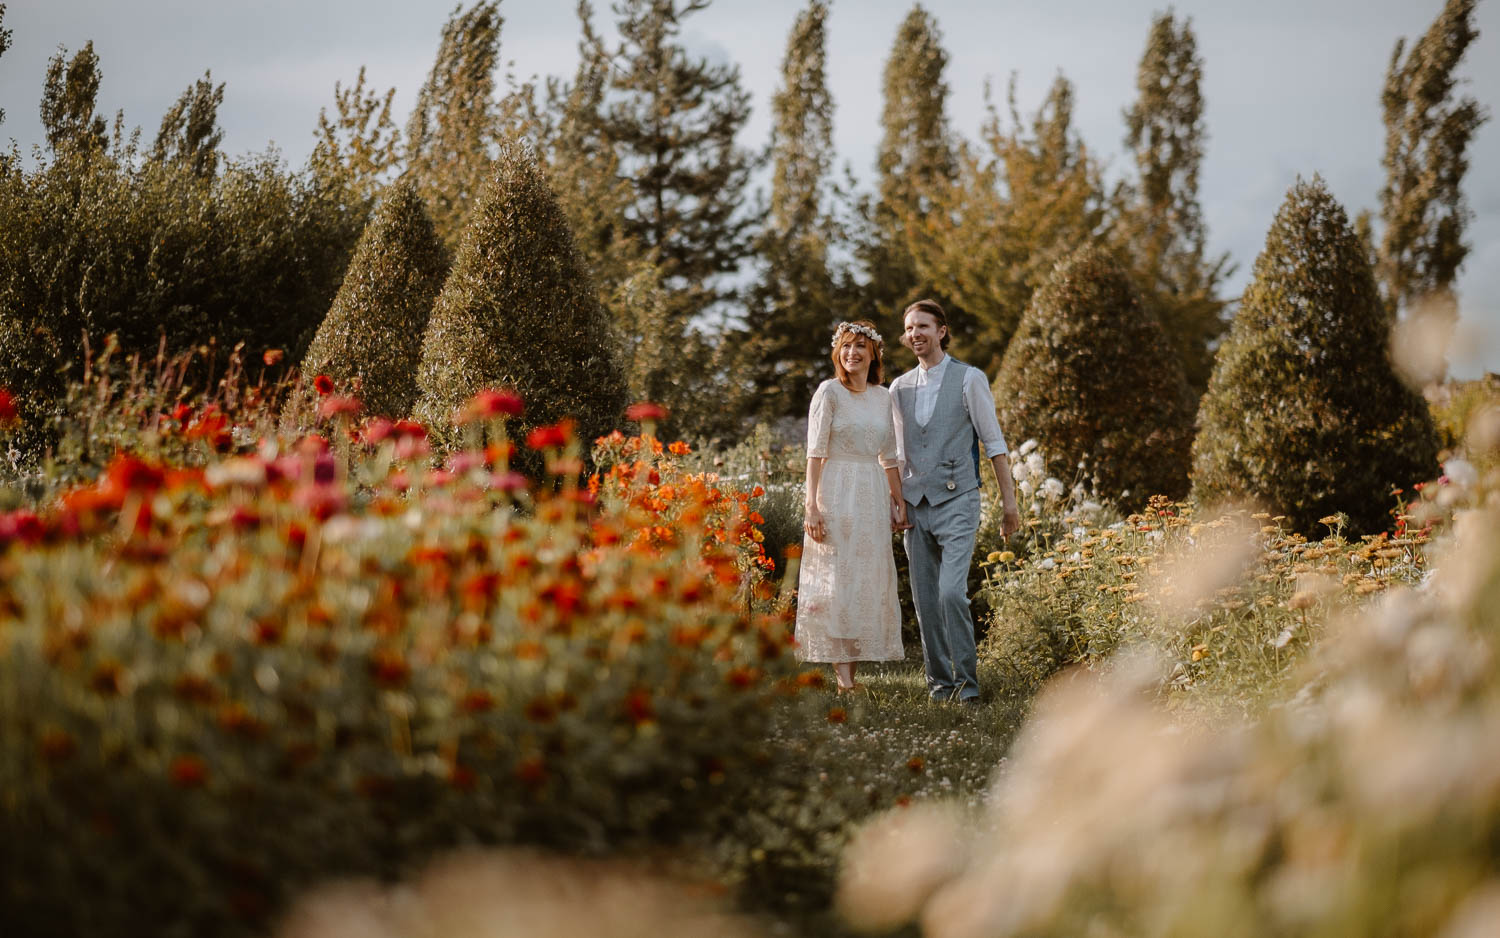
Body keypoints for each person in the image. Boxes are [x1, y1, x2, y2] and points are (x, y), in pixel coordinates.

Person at [886, 299, 1021, 703]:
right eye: (909, 328)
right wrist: (897, 502)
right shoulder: (898, 388)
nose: (915, 334)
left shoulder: (969, 378)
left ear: (942, 330)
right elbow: (893, 454)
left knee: (950, 593)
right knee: (926, 600)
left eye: (923, 326)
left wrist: (1009, 504)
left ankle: (968, 685)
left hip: (958, 499)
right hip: (915, 505)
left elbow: (993, 443)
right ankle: (940, 686)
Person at [795, 320, 908, 693]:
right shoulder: (828, 392)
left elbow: (889, 457)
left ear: (873, 352)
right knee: (837, 581)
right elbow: (814, 454)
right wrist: (811, 506)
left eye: (860, 346)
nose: (852, 353)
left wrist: (899, 501)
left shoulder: (883, 397)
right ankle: (844, 680)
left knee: (864, 580)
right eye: (846, 346)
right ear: (837, 352)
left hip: (871, 496)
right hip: (835, 492)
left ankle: (851, 675)